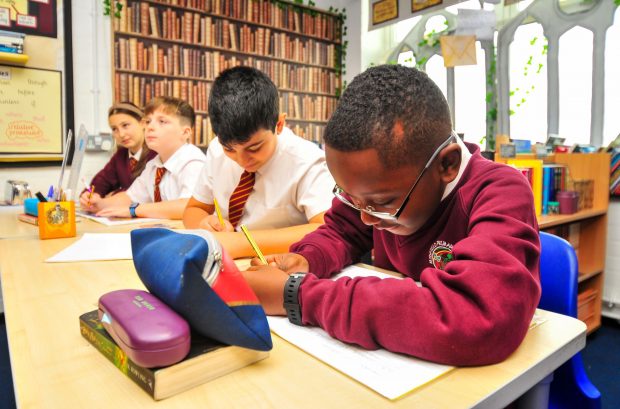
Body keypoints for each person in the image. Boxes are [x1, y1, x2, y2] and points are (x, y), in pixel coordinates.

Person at [241, 65, 541, 366]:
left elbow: (477, 317)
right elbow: (342, 230)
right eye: (350, 197)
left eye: (382, 203)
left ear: (447, 165)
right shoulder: (376, 188)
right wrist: (307, 259)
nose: (367, 219)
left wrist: (298, 295)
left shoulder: (501, 190)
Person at [183, 66, 334, 258]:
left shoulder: (307, 162)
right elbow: (194, 209)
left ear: (279, 124)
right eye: (229, 149)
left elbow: (327, 229)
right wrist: (203, 225)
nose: (241, 160)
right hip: (228, 265)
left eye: (254, 148)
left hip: (278, 269)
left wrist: (241, 243)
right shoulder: (215, 149)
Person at [81, 96, 206, 219]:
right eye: (148, 121)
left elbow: (188, 207)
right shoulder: (154, 165)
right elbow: (130, 197)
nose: (149, 127)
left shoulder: (193, 162)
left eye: (162, 121)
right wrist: (99, 204)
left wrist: (135, 210)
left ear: (185, 132)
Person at [79, 102, 156, 203]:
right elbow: (102, 180)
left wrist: (114, 194)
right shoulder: (121, 155)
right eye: (114, 129)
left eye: (125, 125)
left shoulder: (156, 152)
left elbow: (142, 193)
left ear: (142, 124)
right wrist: (90, 195)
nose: (121, 134)